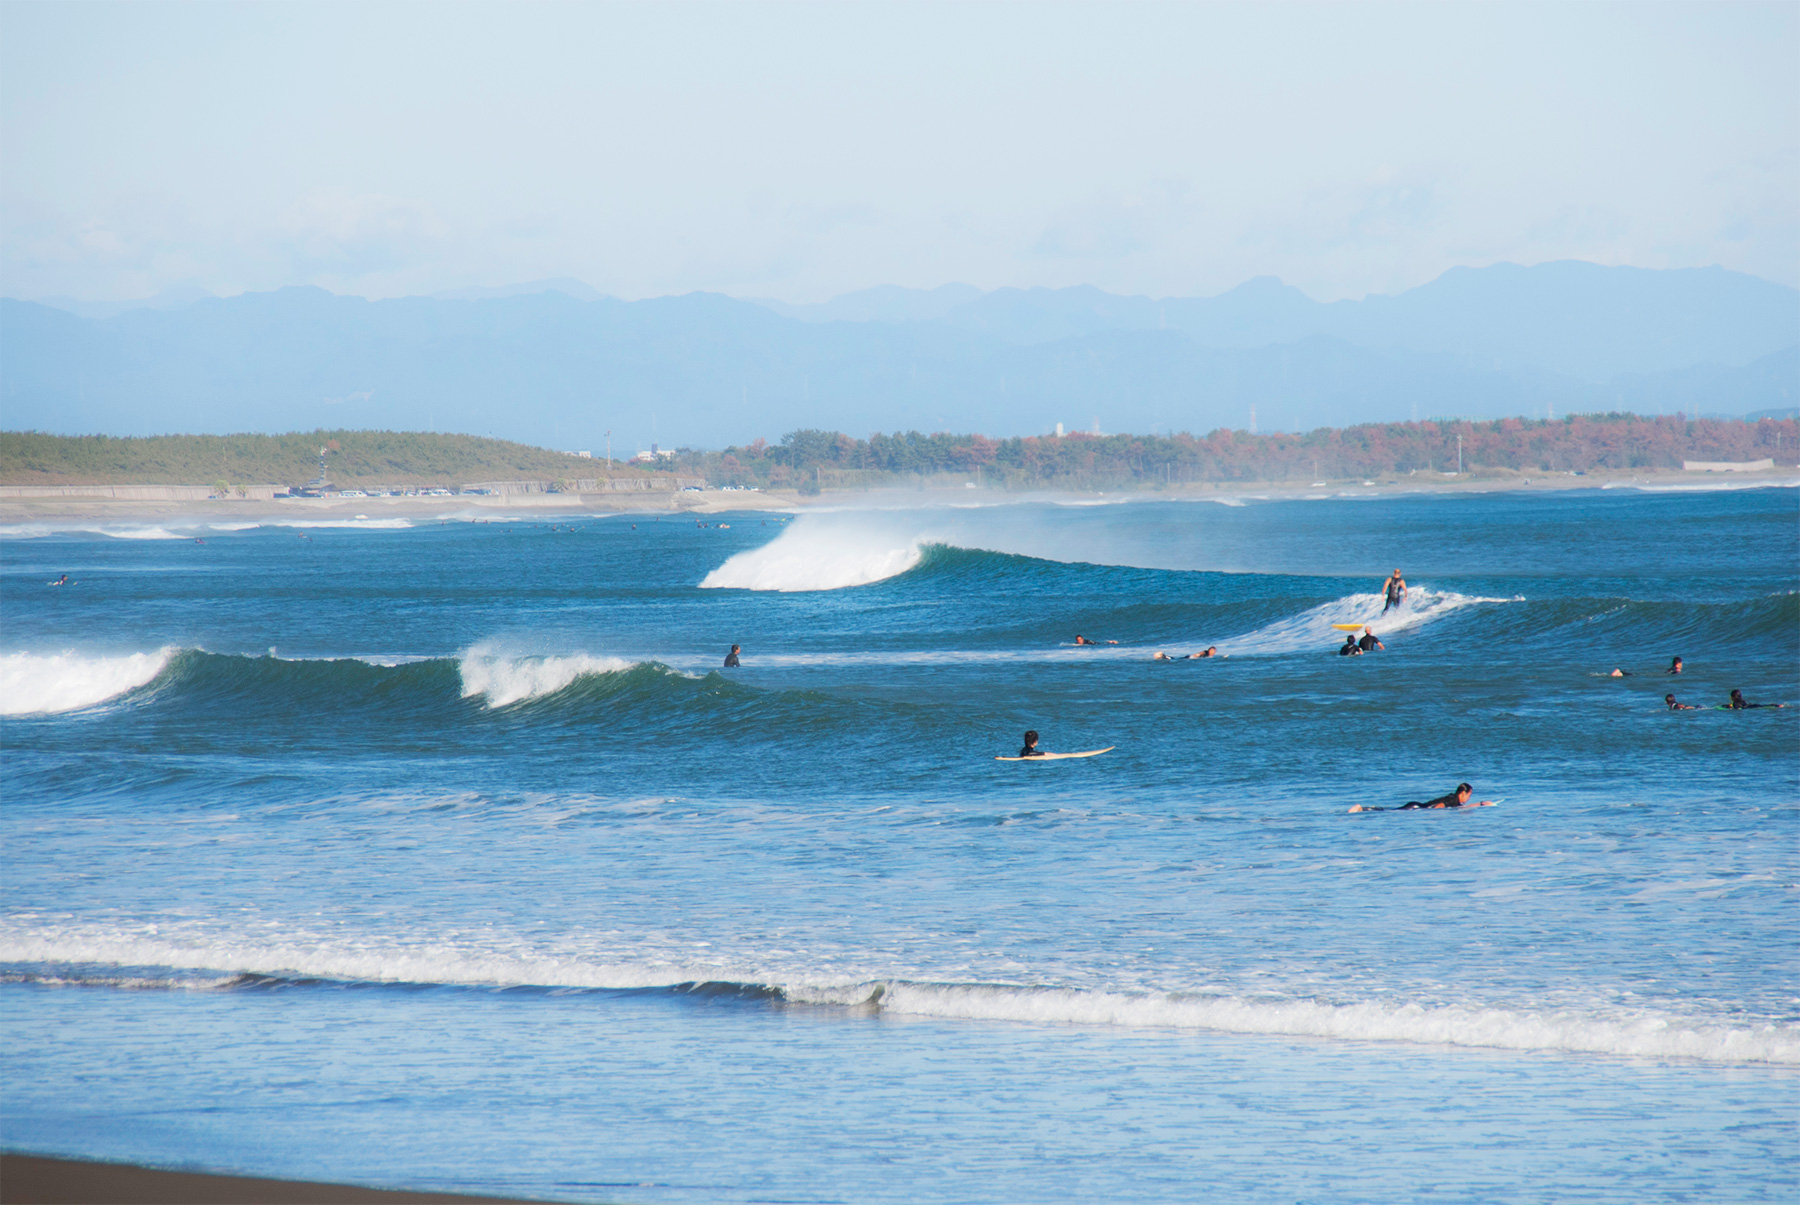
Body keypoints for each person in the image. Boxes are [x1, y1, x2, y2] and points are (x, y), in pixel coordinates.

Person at [1350, 782, 1494, 812]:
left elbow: (1463, 806)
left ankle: (1364, 808)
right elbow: (1439, 807)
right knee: (1389, 811)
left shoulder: (1454, 799)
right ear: (1463, 793)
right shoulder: (1452, 799)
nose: (1469, 798)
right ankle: (1362, 809)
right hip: (1416, 807)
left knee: (1390, 810)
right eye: (1469, 795)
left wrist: (1480, 804)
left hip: (1417, 806)